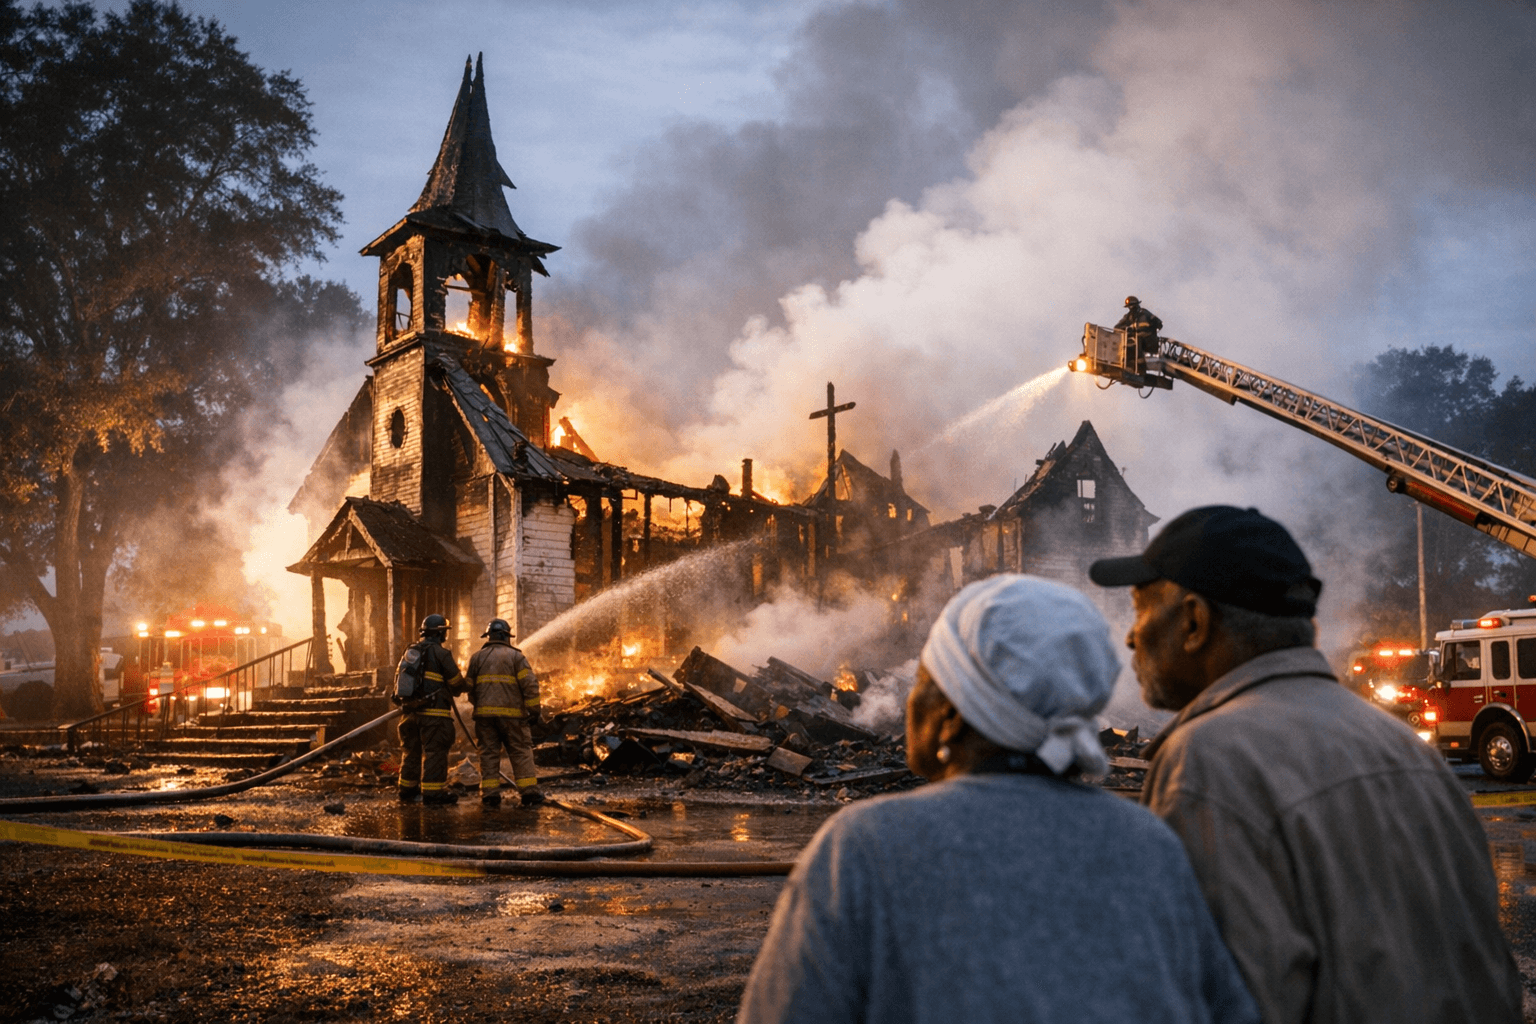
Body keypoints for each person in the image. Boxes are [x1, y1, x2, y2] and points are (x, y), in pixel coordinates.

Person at [738, 574, 1260, 1024]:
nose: (910, 700)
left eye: (922, 679)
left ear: (953, 711)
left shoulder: (866, 848)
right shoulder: (1149, 845)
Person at [1090, 506, 1521, 1024]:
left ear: (1194, 621)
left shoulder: (1210, 759)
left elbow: (1221, 1002)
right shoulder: (1407, 750)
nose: (1131, 638)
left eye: (1140, 611)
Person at [464, 617, 544, 808]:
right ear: (507, 637)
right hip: (513, 717)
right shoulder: (516, 657)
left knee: (489, 754)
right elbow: (530, 685)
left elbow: (469, 687)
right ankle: (529, 794)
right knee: (520, 751)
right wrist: (534, 710)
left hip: (485, 718)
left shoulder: (477, 658)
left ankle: (490, 795)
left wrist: (480, 705)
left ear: (489, 637)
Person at [393, 613, 464, 806]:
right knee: (435, 753)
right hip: (434, 717)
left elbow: (397, 686)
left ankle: (407, 790)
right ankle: (433, 794)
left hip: (409, 716)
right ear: (440, 634)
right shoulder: (442, 654)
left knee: (410, 753)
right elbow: (457, 684)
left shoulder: (409, 652)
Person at [1115, 294, 1162, 368]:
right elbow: (1117, 327)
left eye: (1132, 306)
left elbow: (1158, 323)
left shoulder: (1145, 313)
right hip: (1136, 339)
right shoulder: (1128, 317)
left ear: (1136, 305)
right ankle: (1128, 363)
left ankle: (1140, 361)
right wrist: (1125, 330)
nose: (1131, 308)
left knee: (1137, 339)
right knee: (1127, 343)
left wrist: (1151, 329)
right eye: (1129, 307)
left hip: (1148, 339)